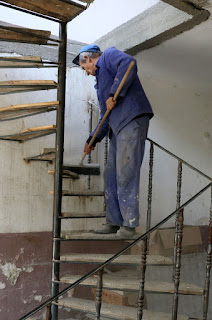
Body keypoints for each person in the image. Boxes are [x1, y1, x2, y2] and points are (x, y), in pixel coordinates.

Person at [72, 45, 154, 239]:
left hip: (131, 120)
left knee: (126, 171)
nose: (87, 72)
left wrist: (114, 93)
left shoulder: (108, 55)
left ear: (89, 58)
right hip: (117, 127)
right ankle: (114, 221)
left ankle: (129, 224)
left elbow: (129, 63)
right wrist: (93, 139)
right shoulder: (100, 83)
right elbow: (105, 116)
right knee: (111, 173)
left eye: (85, 68)